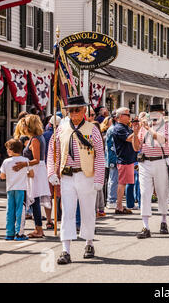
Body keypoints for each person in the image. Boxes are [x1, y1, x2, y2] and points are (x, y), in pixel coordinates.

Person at [47, 96, 105, 264]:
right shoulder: (61, 129)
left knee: (88, 211)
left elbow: (100, 155)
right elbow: (53, 151)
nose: (73, 113)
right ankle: (65, 250)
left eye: (77, 109)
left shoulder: (92, 129)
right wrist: (52, 172)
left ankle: (89, 242)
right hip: (67, 176)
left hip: (86, 175)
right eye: (70, 110)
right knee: (67, 212)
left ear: (84, 110)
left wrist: (99, 178)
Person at [135, 104, 169, 238]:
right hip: (145, 162)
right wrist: (135, 132)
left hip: (160, 161)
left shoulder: (168, 127)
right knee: (145, 192)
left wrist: (148, 129)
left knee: (162, 192)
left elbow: (163, 140)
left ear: (162, 114)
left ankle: (163, 220)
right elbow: (137, 147)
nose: (154, 116)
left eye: (157, 113)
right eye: (152, 113)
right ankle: (145, 226)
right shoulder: (144, 127)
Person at [12, 114, 51, 238]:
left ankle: (38, 229)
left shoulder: (35, 139)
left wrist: (24, 163)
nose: (23, 127)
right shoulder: (38, 137)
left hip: (35, 171)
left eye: (25, 125)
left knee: (34, 200)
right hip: (37, 170)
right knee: (34, 201)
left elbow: (37, 159)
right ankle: (38, 228)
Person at [0, 139, 34, 241]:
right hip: (21, 188)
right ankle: (19, 233)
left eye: (7, 149)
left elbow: (2, 176)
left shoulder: (6, 161)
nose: (7, 151)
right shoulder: (25, 160)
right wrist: (24, 174)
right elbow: (32, 174)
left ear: (11, 150)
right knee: (20, 210)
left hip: (10, 188)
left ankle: (9, 233)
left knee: (10, 210)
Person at [112, 107, 141, 214]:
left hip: (128, 159)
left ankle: (120, 205)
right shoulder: (119, 128)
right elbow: (129, 138)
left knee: (125, 182)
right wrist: (137, 130)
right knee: (122, 183)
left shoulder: (125, 127)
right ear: (120, 117)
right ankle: (118, 206)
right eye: (127, 115)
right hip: (123, 158)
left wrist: (136, 130)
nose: (129, 116)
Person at [43, 115, 61, 229]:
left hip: (46, 167)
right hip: (57, 167)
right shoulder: (61, 135)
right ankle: (58, 217)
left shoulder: (44, 135)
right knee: (60, 195)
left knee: (48, 195)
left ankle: (49, 219)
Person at [105, 112, 118, 209]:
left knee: (114, 179)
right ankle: (111, 200)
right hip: (113, 156)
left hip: (113, 156)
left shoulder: (113, 128)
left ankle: (112, 199)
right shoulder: (113, 129)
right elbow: (112, 146)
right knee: (113, 179)